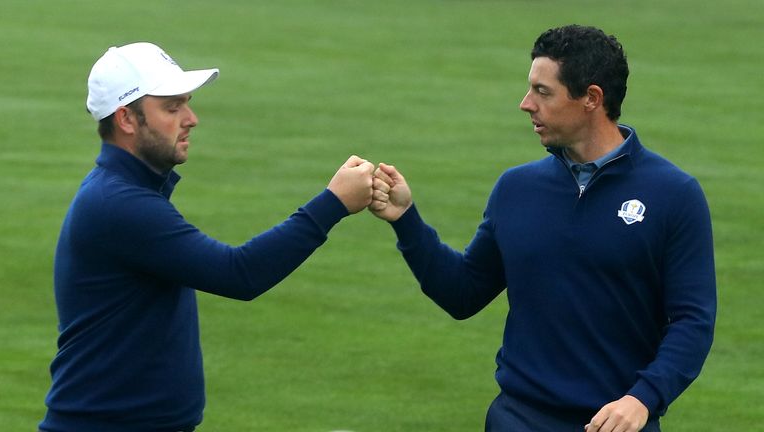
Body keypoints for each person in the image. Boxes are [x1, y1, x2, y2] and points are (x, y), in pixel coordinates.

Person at [370, 25, 716, 432]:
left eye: (543, 91)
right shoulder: (516, 188)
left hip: (616, 424)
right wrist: (405, 219)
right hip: (517, 418)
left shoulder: (674, 195)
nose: (525, 104)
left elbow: (693, 320)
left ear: (591, 98)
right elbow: (462, 293)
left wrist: (644, 398)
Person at [39, 42, 375, 432]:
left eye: (187, 103)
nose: (191, 118)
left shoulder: (124, 193)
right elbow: (238, 273)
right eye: (172, 107)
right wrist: (333, 203)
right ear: (126, 119)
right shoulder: (120, 204)